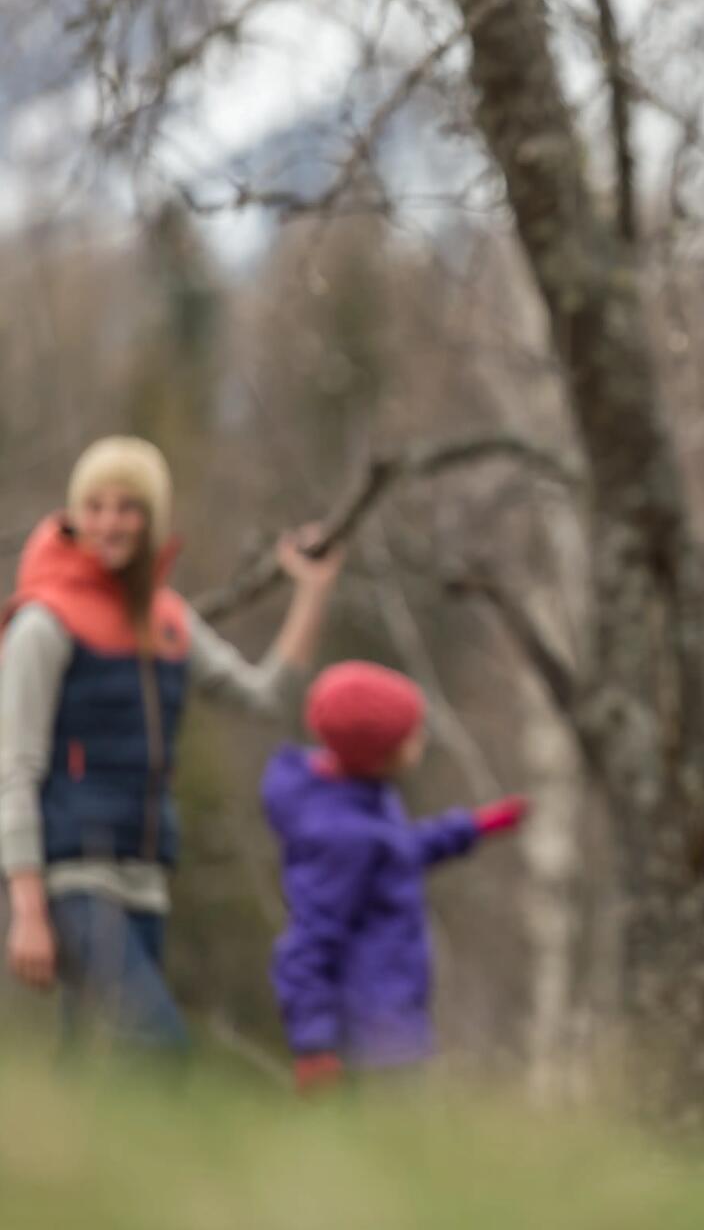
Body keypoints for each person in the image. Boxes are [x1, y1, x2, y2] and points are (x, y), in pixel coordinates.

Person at [1, 436, 343, 1055]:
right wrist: (26, 908)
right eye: (95, 505)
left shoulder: (169, 621)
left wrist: (313, 591)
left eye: (128, 507)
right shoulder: (42, 624)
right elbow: (15, 768)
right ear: (75, 514)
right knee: (159, 1047)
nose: (110, 522)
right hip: (74, 875)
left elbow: (263, 695)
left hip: (146, 878)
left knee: (96, 1070)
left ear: (153, 518)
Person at [264, 661, 528, 1092]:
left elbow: (398, 851)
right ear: (380, 753)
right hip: (369, 1031)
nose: (421, 738)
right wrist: (314, 1046)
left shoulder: (355, 796)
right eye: (413, 733)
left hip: (392, 1013)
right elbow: (309, 941)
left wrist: (474, 827)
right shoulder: (345, 835)